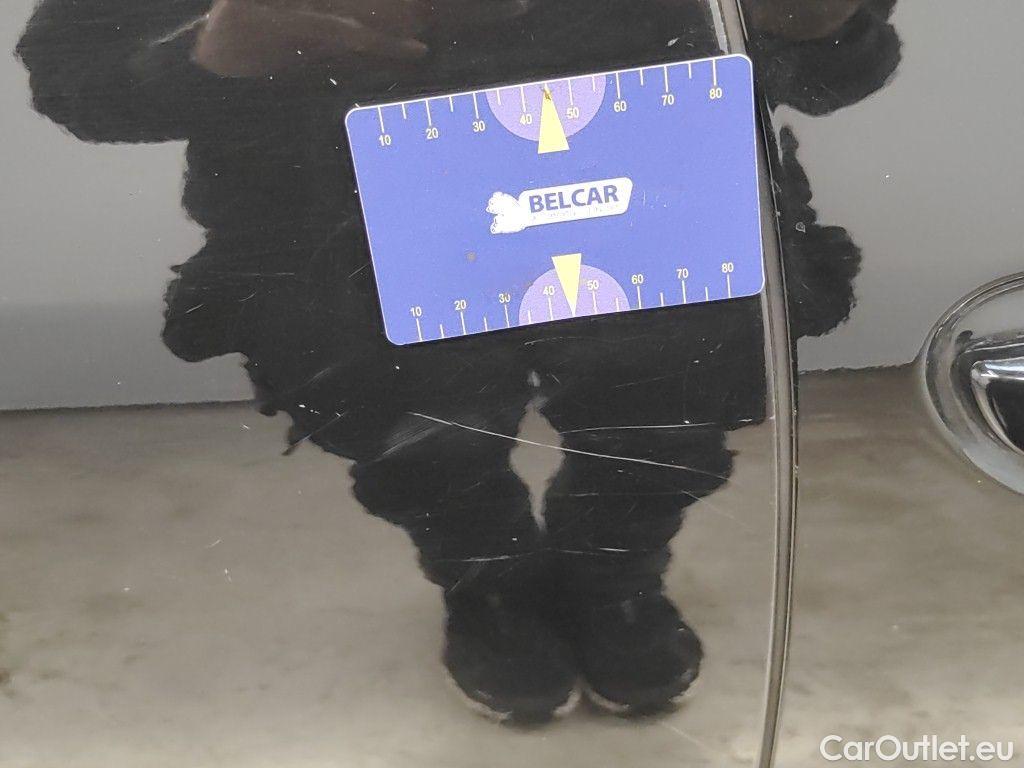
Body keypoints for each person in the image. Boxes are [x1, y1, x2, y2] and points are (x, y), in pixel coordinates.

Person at [17, 0, 900, 722]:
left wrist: (814, 25)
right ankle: (490, 581)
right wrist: (205, 53)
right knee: (420, 431)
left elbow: (841, 72)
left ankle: (614, 572)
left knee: (667, 404)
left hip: (650, 168)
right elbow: (74, 80)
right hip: (333, 204)